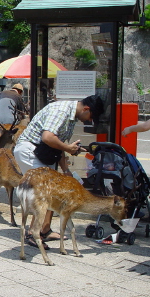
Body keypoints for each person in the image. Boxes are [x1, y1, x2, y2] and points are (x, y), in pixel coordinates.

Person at [14, 95, 105, 248]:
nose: (89, 121)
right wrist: (68, 148)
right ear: (86, 109)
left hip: (43, 153)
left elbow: (58, 145)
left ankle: (45, 229)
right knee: (45, 193)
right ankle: (32, 234)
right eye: (91, 117)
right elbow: (48, 137)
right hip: (30, 150)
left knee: (52, 190)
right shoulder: (61, 111)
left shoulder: (72, 117)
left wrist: (66, 170)